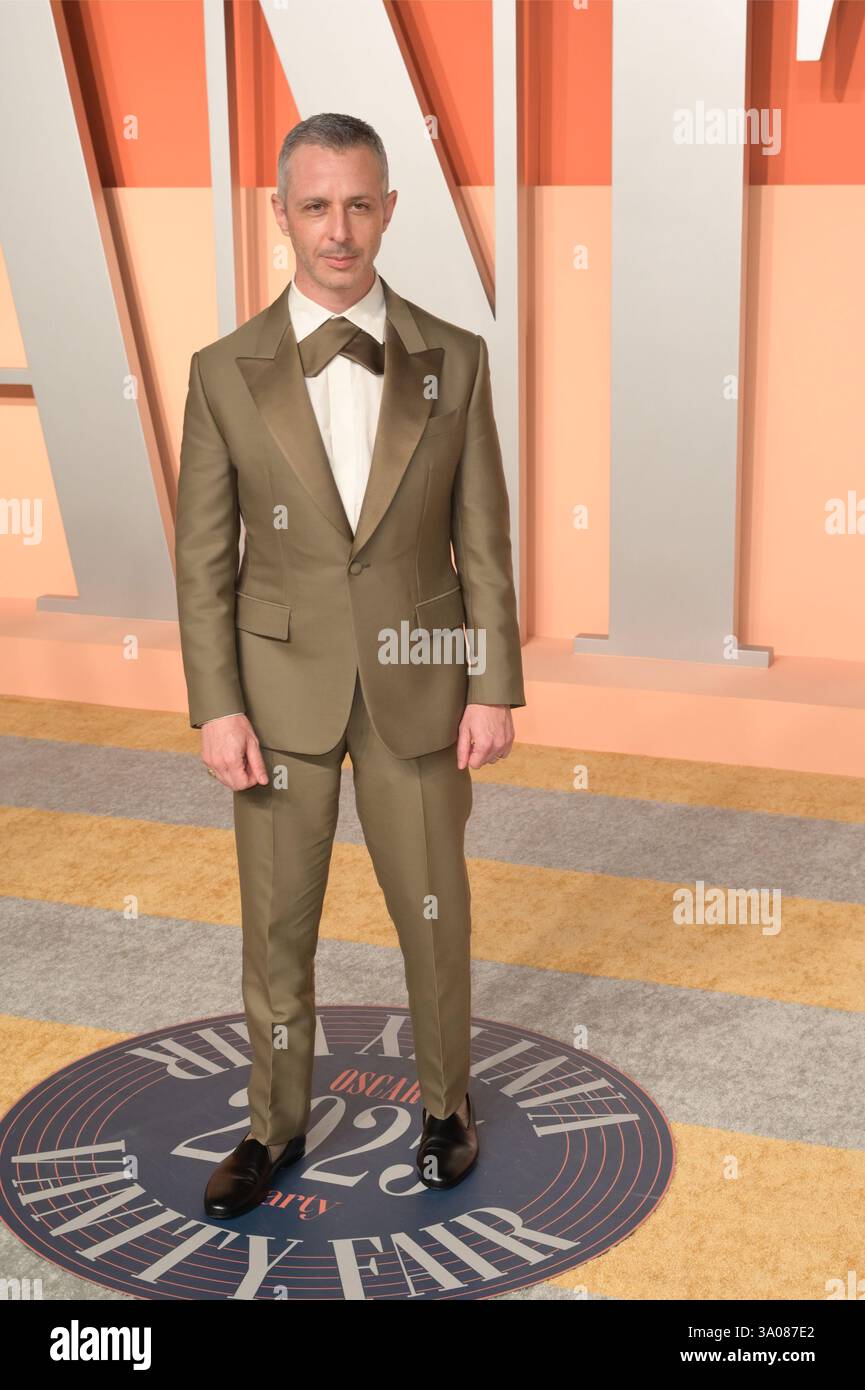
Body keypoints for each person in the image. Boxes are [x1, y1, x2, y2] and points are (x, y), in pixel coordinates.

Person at [175, 112, 525, 1219]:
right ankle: (272, 1125)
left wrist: (491, 681)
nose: (339, 228)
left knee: (436, 914)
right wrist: (215, 705)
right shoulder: (220, 370)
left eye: (359, 203)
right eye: (316, 204)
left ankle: (444, 1106)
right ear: (281, 214)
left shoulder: (452, 360)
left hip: (421, 686)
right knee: (276, 924)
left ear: (388, 210)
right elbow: (202, 559)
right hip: (276, 699)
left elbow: (484, 538)